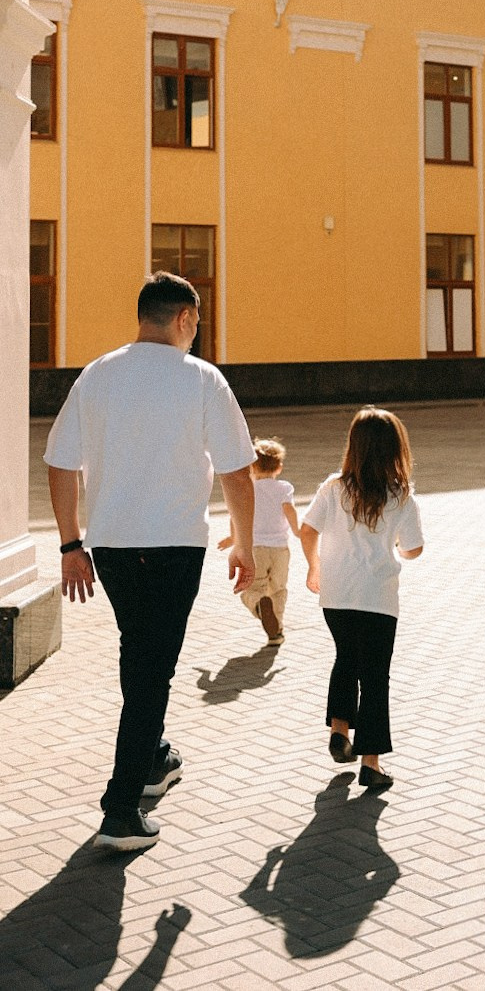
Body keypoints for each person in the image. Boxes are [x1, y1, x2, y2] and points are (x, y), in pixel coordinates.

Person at [44, 272, 256, 852]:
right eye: (197, 323)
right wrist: (244, 544)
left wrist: (70, 546)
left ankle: (155, 756)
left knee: (139, 651)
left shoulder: (97, 375)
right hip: (174, 546)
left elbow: (60, 465)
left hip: (110, 547)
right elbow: (238, 471)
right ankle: (119, 811)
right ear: (185, 319)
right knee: (151, 670)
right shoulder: (203, 379)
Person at [299, 407, 423, 791]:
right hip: (378, 597)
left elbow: (307, 530)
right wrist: (398, 548)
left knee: (345, 659)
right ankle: (372, 762)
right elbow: (414, 550)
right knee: (374, 676)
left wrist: (314, 566)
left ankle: (340, 729)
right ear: (394, 450)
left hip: (336, 594)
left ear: (353, 446)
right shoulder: (400, 495)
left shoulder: (333, 488)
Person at [219, 437, 298, 646]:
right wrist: (298, 530)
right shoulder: (284, 488)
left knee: (253, 588)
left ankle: (258, 605)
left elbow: (235, 515)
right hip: (280, 548)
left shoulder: (249, 489)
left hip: (255, 549)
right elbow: (289, 509)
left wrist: (233, 538)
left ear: (252, 467)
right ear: (279, 467)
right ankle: (276, 630)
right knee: (279, 589)